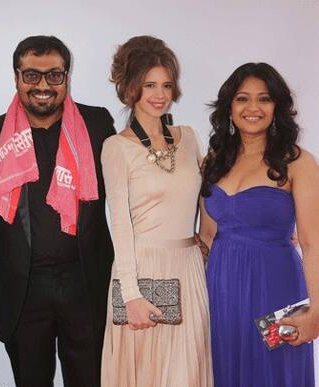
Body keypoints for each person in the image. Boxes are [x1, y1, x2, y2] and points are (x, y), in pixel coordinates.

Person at [0, 35, 115, 387]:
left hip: (85, 285)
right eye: (31, 75)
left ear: (67, 77)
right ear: (16, 78)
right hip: (21, 291)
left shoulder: (97, 126)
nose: (43, 86)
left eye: (54, 75)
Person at [100, 36, 213, 386]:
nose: (159, 94)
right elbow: (119, 222)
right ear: (130, 87)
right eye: (149, 85)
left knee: (188, 371)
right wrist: (131, 295)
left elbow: (211, 195)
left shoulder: (190, 137)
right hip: (141, 268)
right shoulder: (117, 147)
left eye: (166, 85)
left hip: (189, 268)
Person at [199, 62, 318, 386]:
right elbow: (207, 237)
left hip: (276, 290)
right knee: (225, 370)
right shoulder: (213, 161)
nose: (253, 108)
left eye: (264, 99)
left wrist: (316, 313)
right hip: (221, 292)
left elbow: (312, 242)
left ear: (276, 106)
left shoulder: (298, 161)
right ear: (229, 107)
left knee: (277, 372)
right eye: (242, 98)